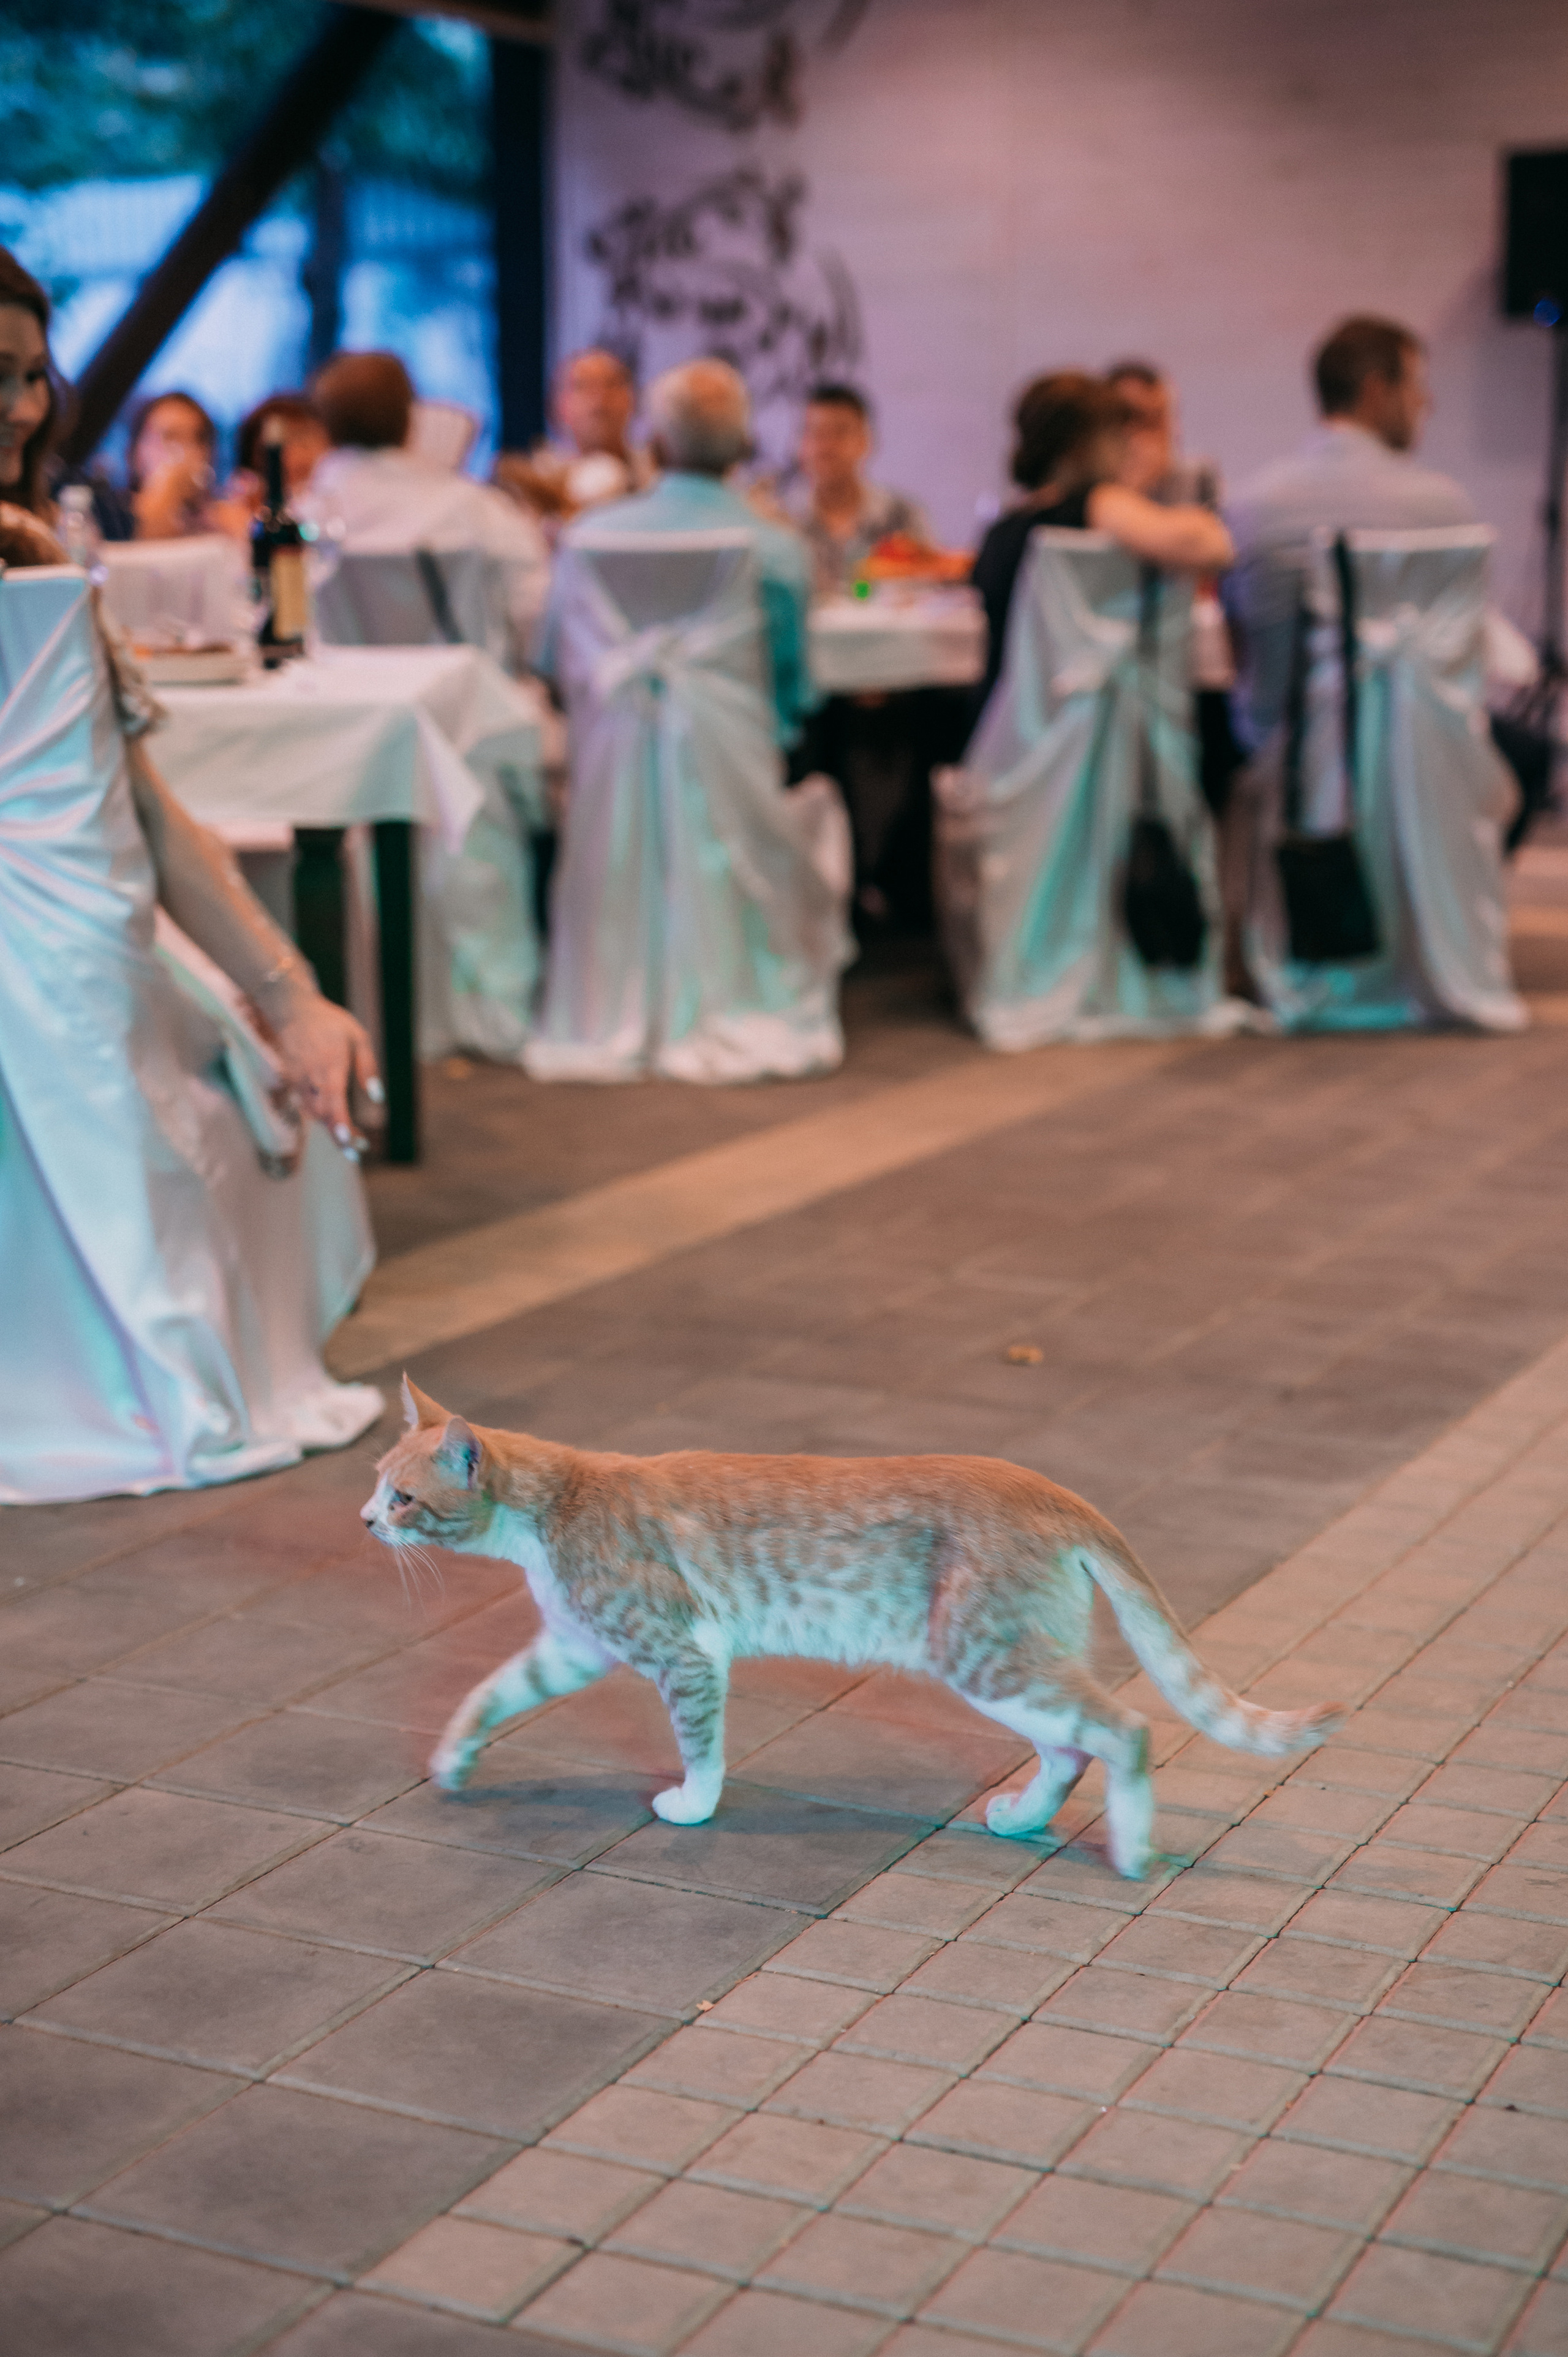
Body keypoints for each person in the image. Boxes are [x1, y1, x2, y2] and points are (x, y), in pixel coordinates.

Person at [0, 246, 383, 1499]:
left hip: (77, 938)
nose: (20, 408)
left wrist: (291, 992)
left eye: (31, 377)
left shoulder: (29, 551)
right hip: (53, 958)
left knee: (248, 1089)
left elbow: (148, 820)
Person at [1224, 316, 1474, 752]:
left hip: (1278, 751)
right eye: (1416, 387)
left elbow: (1239, 646)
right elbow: (1461, 649)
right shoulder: (1444, 508)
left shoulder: (1249, 506)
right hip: (1407, 759)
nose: (1426, 402)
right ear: (1377, 391)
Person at [540, 356, 813, 746]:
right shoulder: (779, 550)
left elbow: (556, 670)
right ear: (745, 447)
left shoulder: (585, 540)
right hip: (739, 775)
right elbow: (793, 694)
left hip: (610, 772)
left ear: (655, 447)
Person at [971, 372, 1233, 723]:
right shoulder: (1099, 506)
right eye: (1117, 436)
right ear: (1084, 446)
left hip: (1013, 739)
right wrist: (1131, 489)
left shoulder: (1000, 533)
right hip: (1096, 735)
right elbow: (1213, 546)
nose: (1127, 447)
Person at [303, 349, 549, 662]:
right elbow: (535, 617)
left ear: (324, 428)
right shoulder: (479, 510)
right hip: (469, 702)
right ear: (411, 418)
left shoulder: (303, 523)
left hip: (341, 704)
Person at [782, 382, 931, 596]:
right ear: (801, 445)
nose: (827, 447)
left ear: (865, 441)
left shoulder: (902, 518)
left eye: (840, 433)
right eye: (816, 433)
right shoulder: (783, 522)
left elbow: (930, 593)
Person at [494, 348, 650, 530]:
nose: (600, 399)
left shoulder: (658, 476)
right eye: (583, 386)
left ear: (632, 399)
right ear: (559, 405)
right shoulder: (533, 486)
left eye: (611, 385)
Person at [127, 389, 224, 540]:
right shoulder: (109, 519)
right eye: (170, 437)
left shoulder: (222, 519)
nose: (187, 452)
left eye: (198, 439)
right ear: (136, 452)